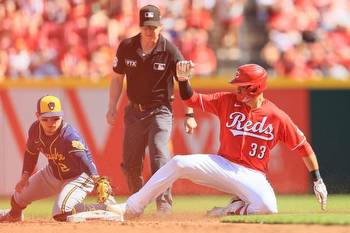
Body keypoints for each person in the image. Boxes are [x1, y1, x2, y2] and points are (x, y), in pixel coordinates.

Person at [107, 63, 328, 217]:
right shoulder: (227, 100)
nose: (237, 89)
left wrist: (317, 179)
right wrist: (183, 81)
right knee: (179, 162)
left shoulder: (277, 116)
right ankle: (133, 206)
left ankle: (231, 209)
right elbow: (191, 99)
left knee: (269, 208)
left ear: (256, 87)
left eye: (242, 86)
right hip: (222, 165)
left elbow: (303, 148)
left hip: (253, 175)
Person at [106, 5, 197, 214]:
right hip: (134, 111)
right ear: (140, 27)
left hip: (160, 110)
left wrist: (190, 114)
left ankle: (164, 208)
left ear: (161, 27)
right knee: (130, 163)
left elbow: (184, 84)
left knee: (159, 156)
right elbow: (117, 78)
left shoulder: (170, 50)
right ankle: (136, 204)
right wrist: (112, 106)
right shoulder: (127, 46)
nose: (150, 32)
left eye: (154, 27)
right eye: (146, 27)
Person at [0, 95, 116, 222]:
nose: (51, 124)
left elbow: (84, 160)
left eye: (55, 118)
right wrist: (25, 176)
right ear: (37, 116)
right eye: (45, 119)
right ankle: (13, 216)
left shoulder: (69, 136)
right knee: (19, 195)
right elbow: (31, 153)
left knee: (61, 211)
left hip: (78, 176)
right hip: (53, 172)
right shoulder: (35, 130)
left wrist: (96, 179)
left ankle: (103, 208)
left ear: (62, 115)